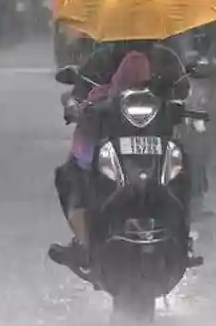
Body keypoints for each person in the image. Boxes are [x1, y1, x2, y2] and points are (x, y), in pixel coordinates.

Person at [48, 38, 191, 272]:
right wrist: (79, 106)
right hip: (108, 136)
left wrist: (178, 102)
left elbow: (184, 92)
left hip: (158, 138)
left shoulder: (166, 59)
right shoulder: (101, 59)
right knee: (72, 172)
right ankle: (83, 242)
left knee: (186, 160)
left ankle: (184, 235)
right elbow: (79, 93)